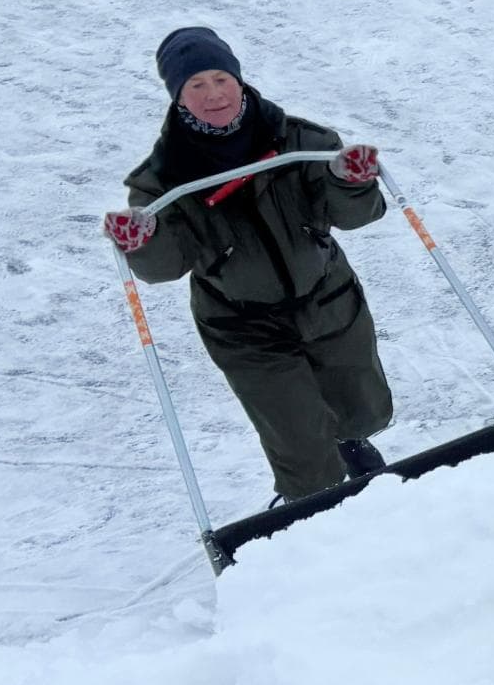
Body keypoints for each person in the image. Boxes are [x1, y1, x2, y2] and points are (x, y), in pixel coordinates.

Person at [105, 26, 396, 502]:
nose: (213, 94)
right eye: (196, 85)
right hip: (243, 326)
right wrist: (145, 242)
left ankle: (350, 441)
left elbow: (356, 215)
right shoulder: (159, 180)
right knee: (301, 448)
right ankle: (310, 516)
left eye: (221, 79)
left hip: (328, 299)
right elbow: (164, 268)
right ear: (178, 96)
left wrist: (350, 182)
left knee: (364, 410)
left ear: (239, 80)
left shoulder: (303, 139)